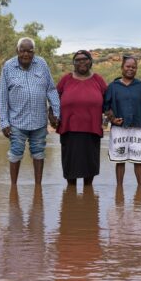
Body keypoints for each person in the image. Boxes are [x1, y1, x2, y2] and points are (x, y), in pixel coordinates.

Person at [0, 37, 60, 186]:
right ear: (17, 51)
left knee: (39, 152)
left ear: (34, 52)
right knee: (15, 153)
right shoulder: (8, 66)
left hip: (39, 120)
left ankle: (38, 188)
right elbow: (2, 96)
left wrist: (56, 113)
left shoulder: (42, 64)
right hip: (16, 121)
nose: (26, 54)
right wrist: (4, 122)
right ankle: (13, 188)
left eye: (29, 51)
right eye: (22, 51)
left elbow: (51, 89)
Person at [56, 50, 107, 186]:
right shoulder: (66, 79)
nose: (81, 62)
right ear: (74, 63)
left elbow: (108, 100)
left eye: (84, 59)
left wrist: (109, 118)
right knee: (70, 168)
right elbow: (54, 98)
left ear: (90, 61)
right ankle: (70, 195)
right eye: (77, 60)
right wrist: (52, 115)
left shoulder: (98, 79)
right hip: (69, 129)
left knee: (90, 168)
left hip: (92, 129)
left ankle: (88, 197)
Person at [103, 55, 141, 185]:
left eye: (133, 67)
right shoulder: (113, 86)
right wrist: (112, 119)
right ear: (122, 67)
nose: (130, 69)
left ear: (136, 69)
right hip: (119, 129)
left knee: (138, 161)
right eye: (128, 66)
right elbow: (106, 107)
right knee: (120, 161)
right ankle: (119, 190)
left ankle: (140, 190)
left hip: (138, 128)